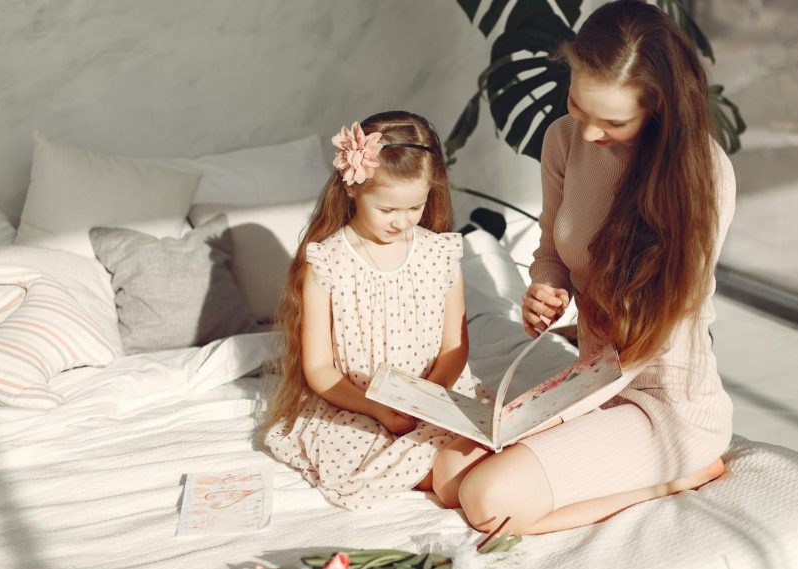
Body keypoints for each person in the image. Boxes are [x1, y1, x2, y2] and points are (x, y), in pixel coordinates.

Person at [431, 0, 737, 535]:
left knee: (486, 499)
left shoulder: (704, 177)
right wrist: (545, 288)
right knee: (448, 472)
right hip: (597, 383)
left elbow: (649, 341)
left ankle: (677, 478)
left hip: (665, 402)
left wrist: (549, 416)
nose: (591, 132)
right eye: (579, 104)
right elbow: (553, 247)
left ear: (659, 107)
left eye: (613, 121)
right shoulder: (563, 141)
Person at [261, 110, 479, 510]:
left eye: (414, 208)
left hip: (437, 392)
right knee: (433, 476)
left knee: (480, 454)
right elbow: (321, 370)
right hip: (356, 405)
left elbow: (454, 346)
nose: (402, 222)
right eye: (387, 210)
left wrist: (428, 395)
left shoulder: (441, 253)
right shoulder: (327, 263)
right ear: (352, 189)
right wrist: (378, 408)